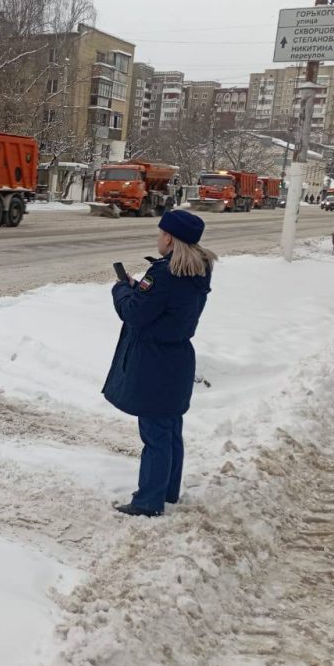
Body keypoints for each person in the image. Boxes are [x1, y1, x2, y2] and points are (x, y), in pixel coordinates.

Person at [102, 210, 217, 517]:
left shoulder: (164, 274)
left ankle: (148, 501)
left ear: (169, 238)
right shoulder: (197, 270)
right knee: (169, 429)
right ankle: (168, 492)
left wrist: (122, 289)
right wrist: (141, 289)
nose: (158, 238)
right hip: (176, 360)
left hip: (154, 363)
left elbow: (135, 314)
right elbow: (161, 304)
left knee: (155, 434)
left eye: (160, 233)